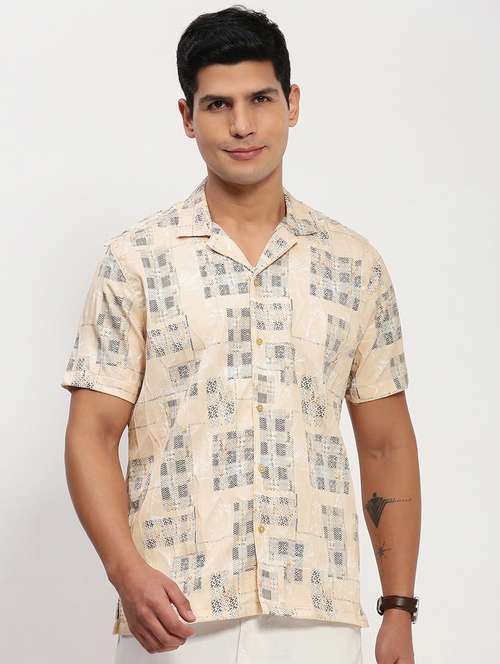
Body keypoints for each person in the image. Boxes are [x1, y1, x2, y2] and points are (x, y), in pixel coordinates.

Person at [60, 5, 420, 663]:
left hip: (315, 617)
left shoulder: (353, 265)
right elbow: (91, 433)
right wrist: (126, 571)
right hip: (174, 614)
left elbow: (386, 442)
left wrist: (398, 607)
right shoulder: (136, 260)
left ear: (292, 103)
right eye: (218, 105)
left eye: (261, 99)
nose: (242, 125)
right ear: (187, 117)